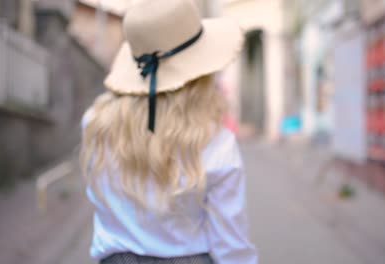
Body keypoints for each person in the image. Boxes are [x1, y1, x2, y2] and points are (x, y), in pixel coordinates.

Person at [80, 0, 257, 263]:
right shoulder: (216, 141)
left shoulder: (96, 122)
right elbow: (230, 244)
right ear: (201, 71)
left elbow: (102, 206)